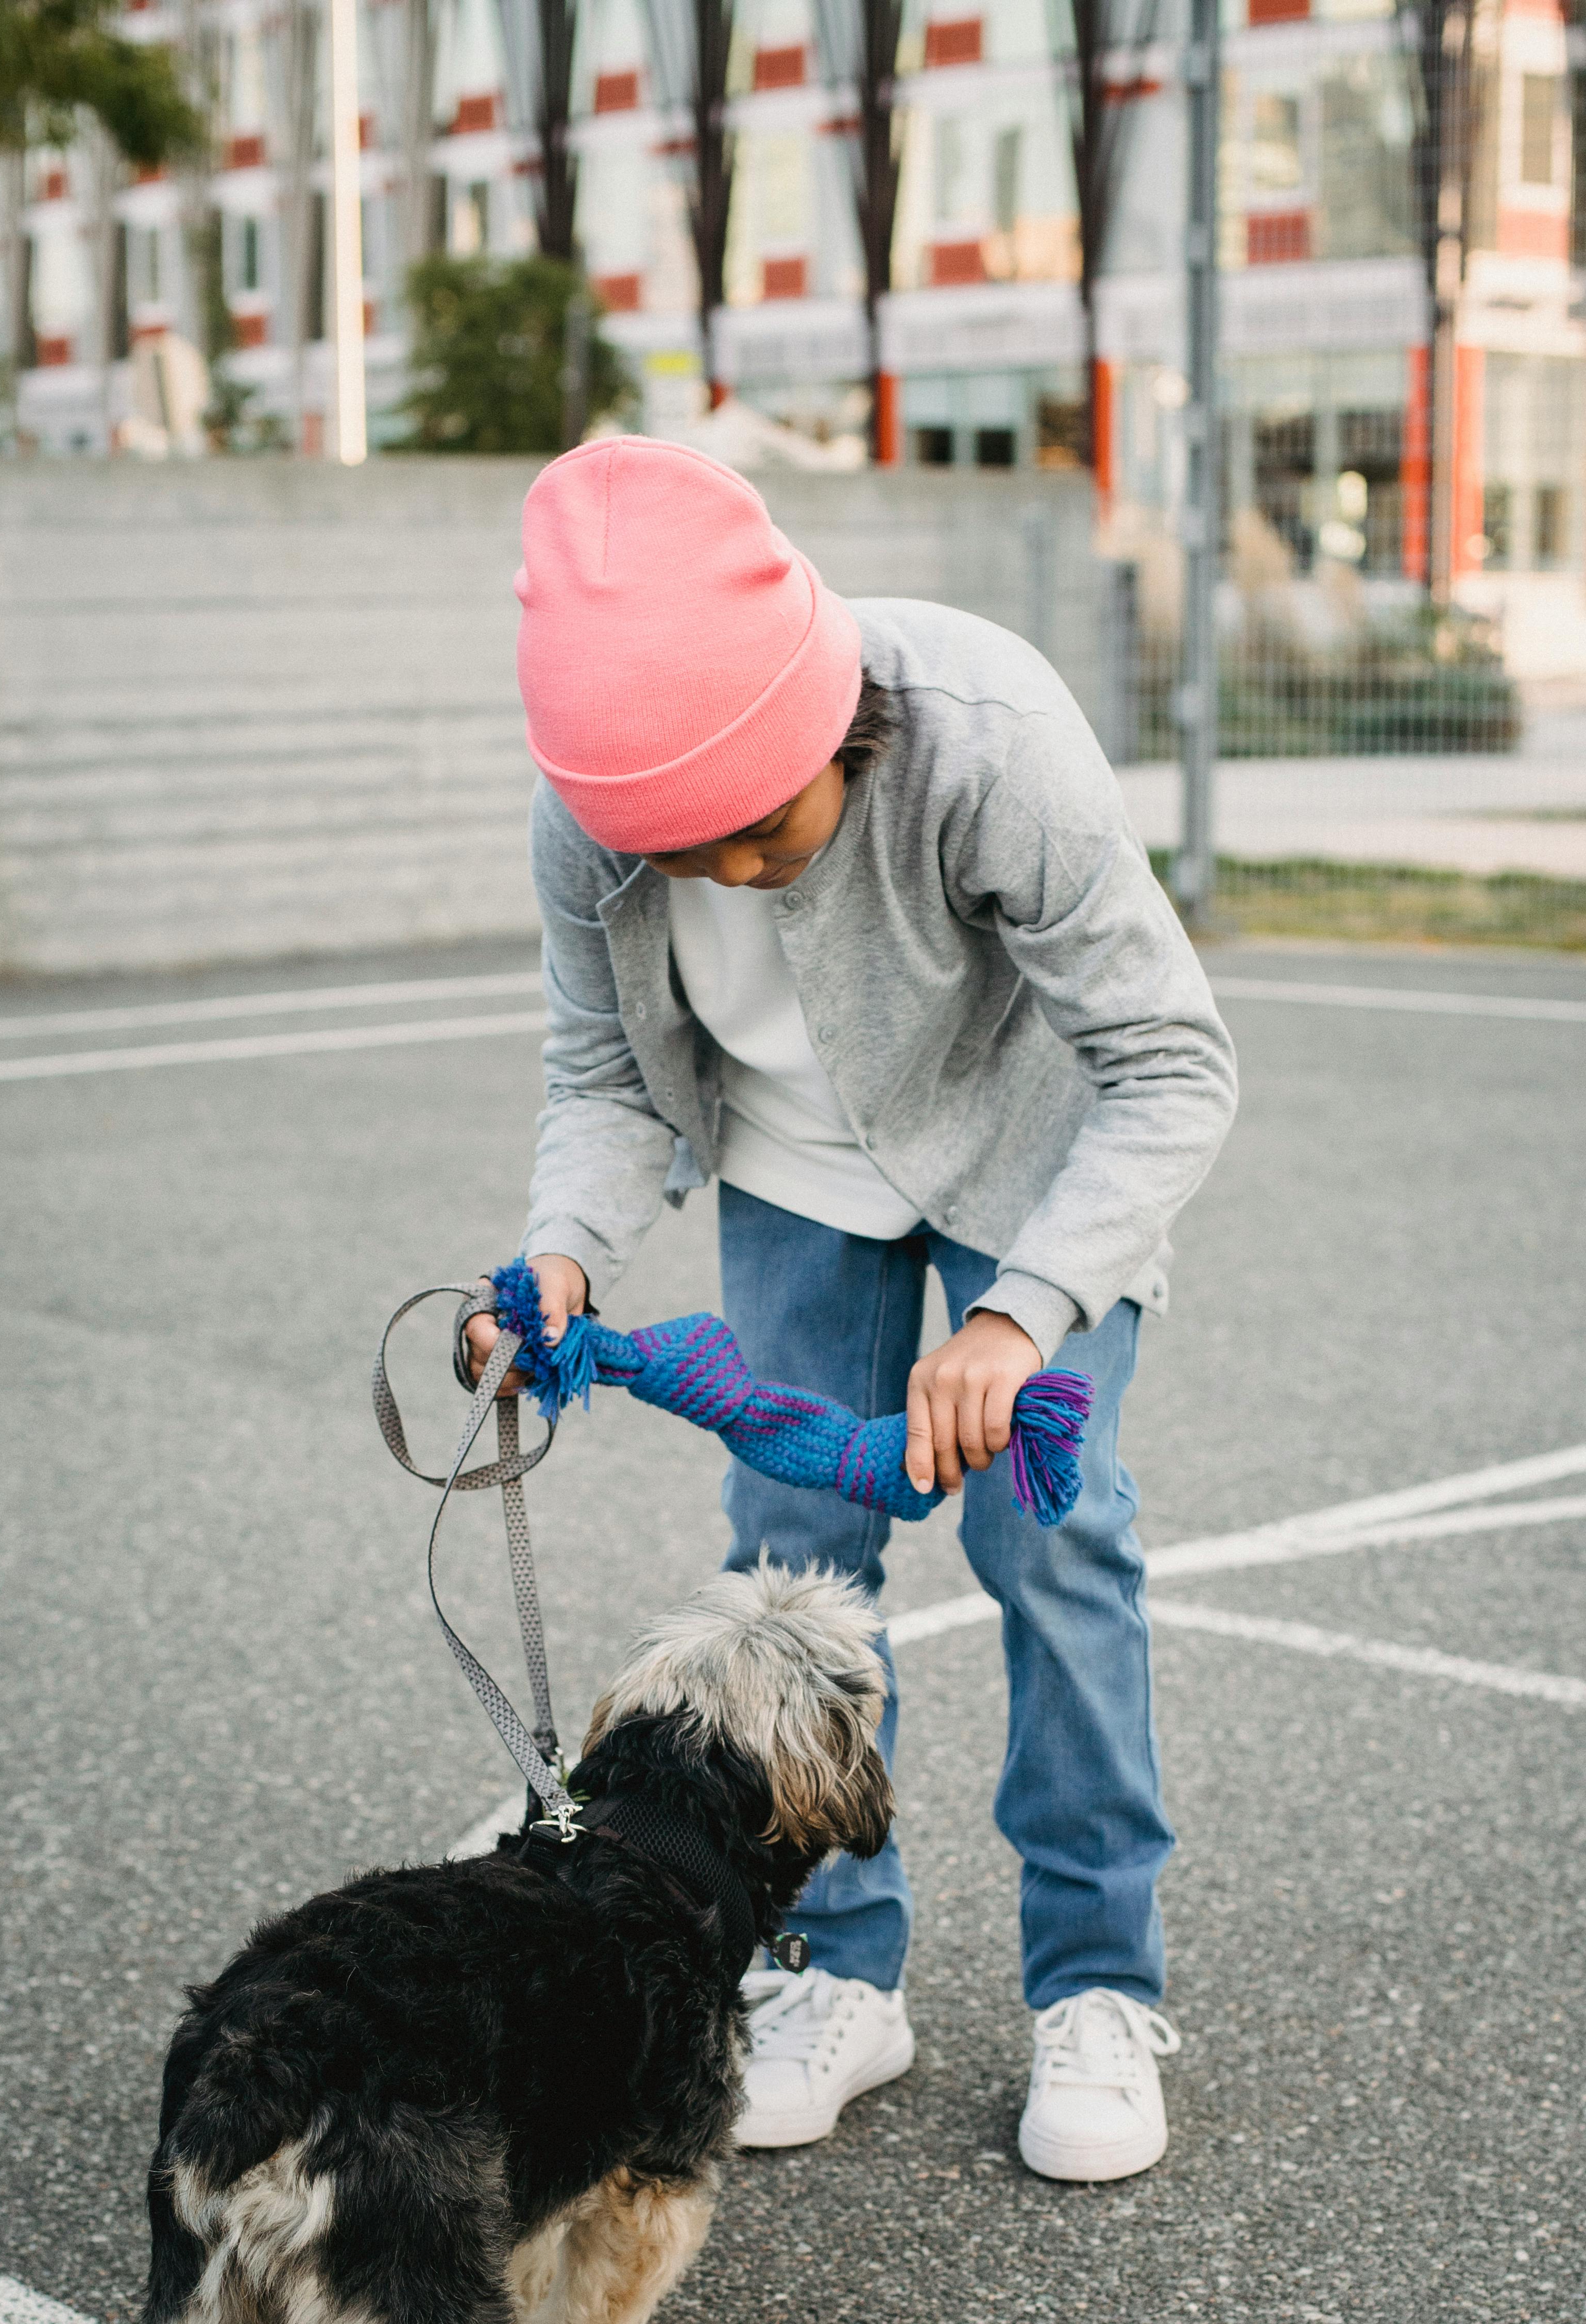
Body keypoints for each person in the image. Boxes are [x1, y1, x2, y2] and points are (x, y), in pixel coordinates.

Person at [467, 436, 1237, 2184]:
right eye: (688, 851)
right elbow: (605, 1075)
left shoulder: (990, 735)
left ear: (832, 721)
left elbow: (1174, 1065)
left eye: (762, 830)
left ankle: (1098, 1986)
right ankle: (841, 1966)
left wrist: (1022, 1312)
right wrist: (567, 1257)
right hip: (797, 1177)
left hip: (1029, 1169)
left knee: (1059, 1545)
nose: (732, 874)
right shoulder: (587, 823)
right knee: (796, 1552)